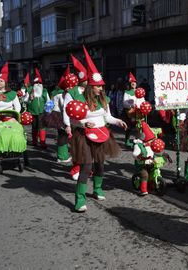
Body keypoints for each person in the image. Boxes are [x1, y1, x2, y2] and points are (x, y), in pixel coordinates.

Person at [67, 45, 127, 212]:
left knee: (100, 164)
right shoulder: (79, 99)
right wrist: (82, 124)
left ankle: (97, 189)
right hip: (84, 135)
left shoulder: (103, 100)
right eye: (98, 86)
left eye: (102, 85)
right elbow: (73, 119)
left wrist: (118, 121)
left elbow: (107, 117)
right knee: (86, 166)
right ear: (90, 86)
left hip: (101, 134)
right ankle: (80, 199)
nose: (101, 88)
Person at [43, 66, 78, 163]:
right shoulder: (61, 94)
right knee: (63, 136)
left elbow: (48, 105)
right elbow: (64, 107)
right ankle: (62, 157)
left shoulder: (57, 93)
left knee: (64, 136)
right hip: (60, 117)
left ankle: (63, 154)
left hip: (60, 116)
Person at [23, 68, 50, 148]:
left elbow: (48, 101)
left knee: (42, 127)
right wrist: (29, 99)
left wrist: (48, 111)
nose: (38, 84)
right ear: (33, 84)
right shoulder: (30, 90)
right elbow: (24, 100)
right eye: (36, 83)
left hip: (42, 112)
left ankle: (42, 142)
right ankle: (34, 141)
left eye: (39, 83)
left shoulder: (44, 91)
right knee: (34, 127)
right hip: (32, 112)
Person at [122, 72, 145, 148]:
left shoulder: (139, 91)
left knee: (139, 127)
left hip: (139, 112)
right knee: (129, 127)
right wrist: (131, 105)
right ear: (129, 84)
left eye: (134, 83)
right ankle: (127, 140)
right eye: (132, 83)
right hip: (130, 112)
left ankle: (138, 140)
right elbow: (124, 103)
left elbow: (143, 101)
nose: (133, 84)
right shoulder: (127, 92)